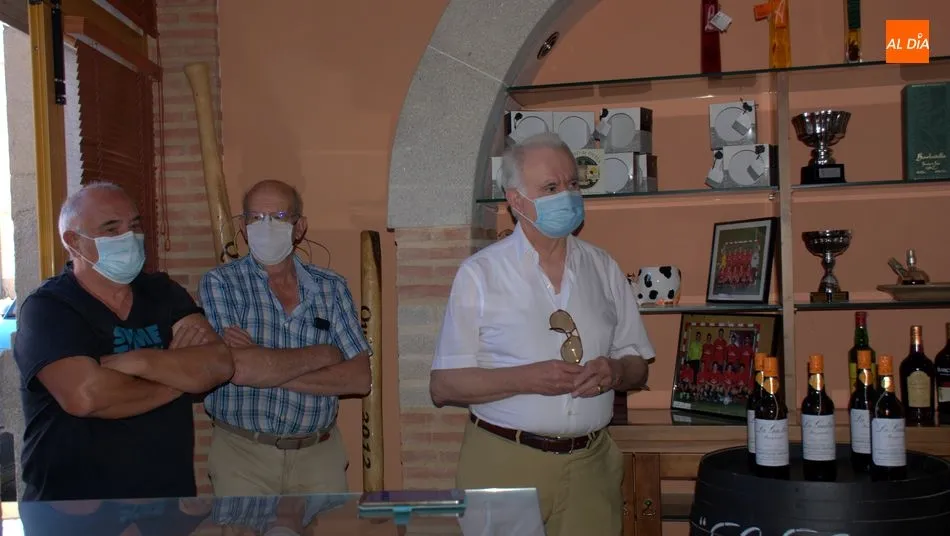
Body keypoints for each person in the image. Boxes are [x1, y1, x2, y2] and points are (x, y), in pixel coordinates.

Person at [429, 133, 655, 536]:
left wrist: (615, 371)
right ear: (516, 201)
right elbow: (443, 386)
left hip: (590, 466)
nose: (567, 195)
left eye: (572, 184)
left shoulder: (603, 268)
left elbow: (639, 366)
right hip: (505, 461)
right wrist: (526, 379)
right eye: (551, 187)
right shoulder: (480, 274)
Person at [13, 182, 235, 502]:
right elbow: (87, 396)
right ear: (73, 241)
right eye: (111, 228)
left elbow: (219, 363)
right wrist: (179, 380)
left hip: (165, 503)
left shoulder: (162, 292)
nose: (129, 237)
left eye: (134, 225)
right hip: (72, 508)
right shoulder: (49, 308)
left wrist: (142, 361)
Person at [198, 179, 371, 496]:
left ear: (299, 227)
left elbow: (359, 379)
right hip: (243, 453)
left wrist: (265, 366)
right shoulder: (221, 283)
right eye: (256, 218)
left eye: (278, 217)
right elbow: (239, 369)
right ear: (243, 227)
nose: (266, 226)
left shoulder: (331, 287)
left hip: (319, 454)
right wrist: (325, 354)